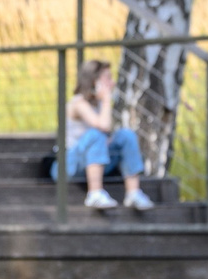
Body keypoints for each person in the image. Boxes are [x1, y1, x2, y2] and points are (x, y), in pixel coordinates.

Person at [64, 59, 154, 211]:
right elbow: (103, 126)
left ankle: (133, 193)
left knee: (126, 135)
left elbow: (107, 132)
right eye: (108, 78)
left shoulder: (98, 103)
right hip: (71, 165)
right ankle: (95, 194)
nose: (113, 83)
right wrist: (106, 100)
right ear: (94, 81)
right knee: (96, 134)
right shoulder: (78, 103)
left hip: (96, 161)